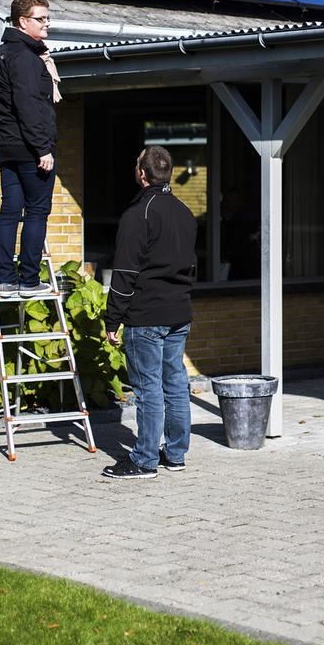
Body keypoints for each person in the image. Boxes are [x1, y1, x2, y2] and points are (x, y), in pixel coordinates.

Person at [102, 146, 197, 480]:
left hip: (147, 315)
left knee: (148, 388)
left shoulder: (138, 213)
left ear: (142, 173)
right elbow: (191, 266)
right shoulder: (185, 212)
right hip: (178, 312)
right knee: (175, 383)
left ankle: (144, 460)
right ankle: (176, 454)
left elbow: (125, 272)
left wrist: (113, 318)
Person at [0, 0, 61, 298]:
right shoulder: (24, 58)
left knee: (9, 211)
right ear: (22, 21)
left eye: (48, 18)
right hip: (29, 147)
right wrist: (42, 148)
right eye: (40, 19)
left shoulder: (3, 53)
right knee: (37, 211)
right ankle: (29, 280)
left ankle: (5, 281)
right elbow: (27, 104)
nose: (47, 24)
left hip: (7, 145)